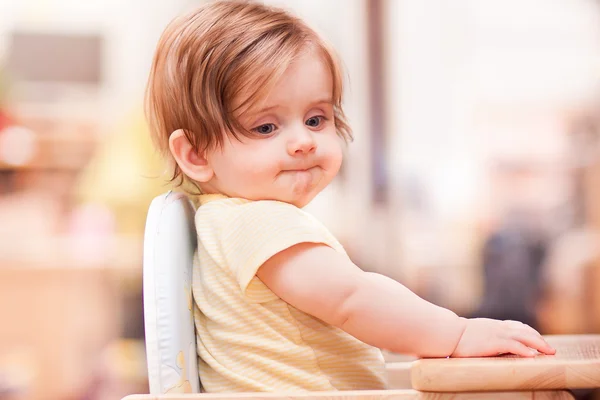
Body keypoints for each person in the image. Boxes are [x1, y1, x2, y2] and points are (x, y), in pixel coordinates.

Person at [144, 0, 555, 393]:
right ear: (196, 154)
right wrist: (458, 332)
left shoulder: (222, 219)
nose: (303, 140)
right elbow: (352, 298)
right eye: (266, 127)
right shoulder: (258, 221)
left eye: (316, 119)